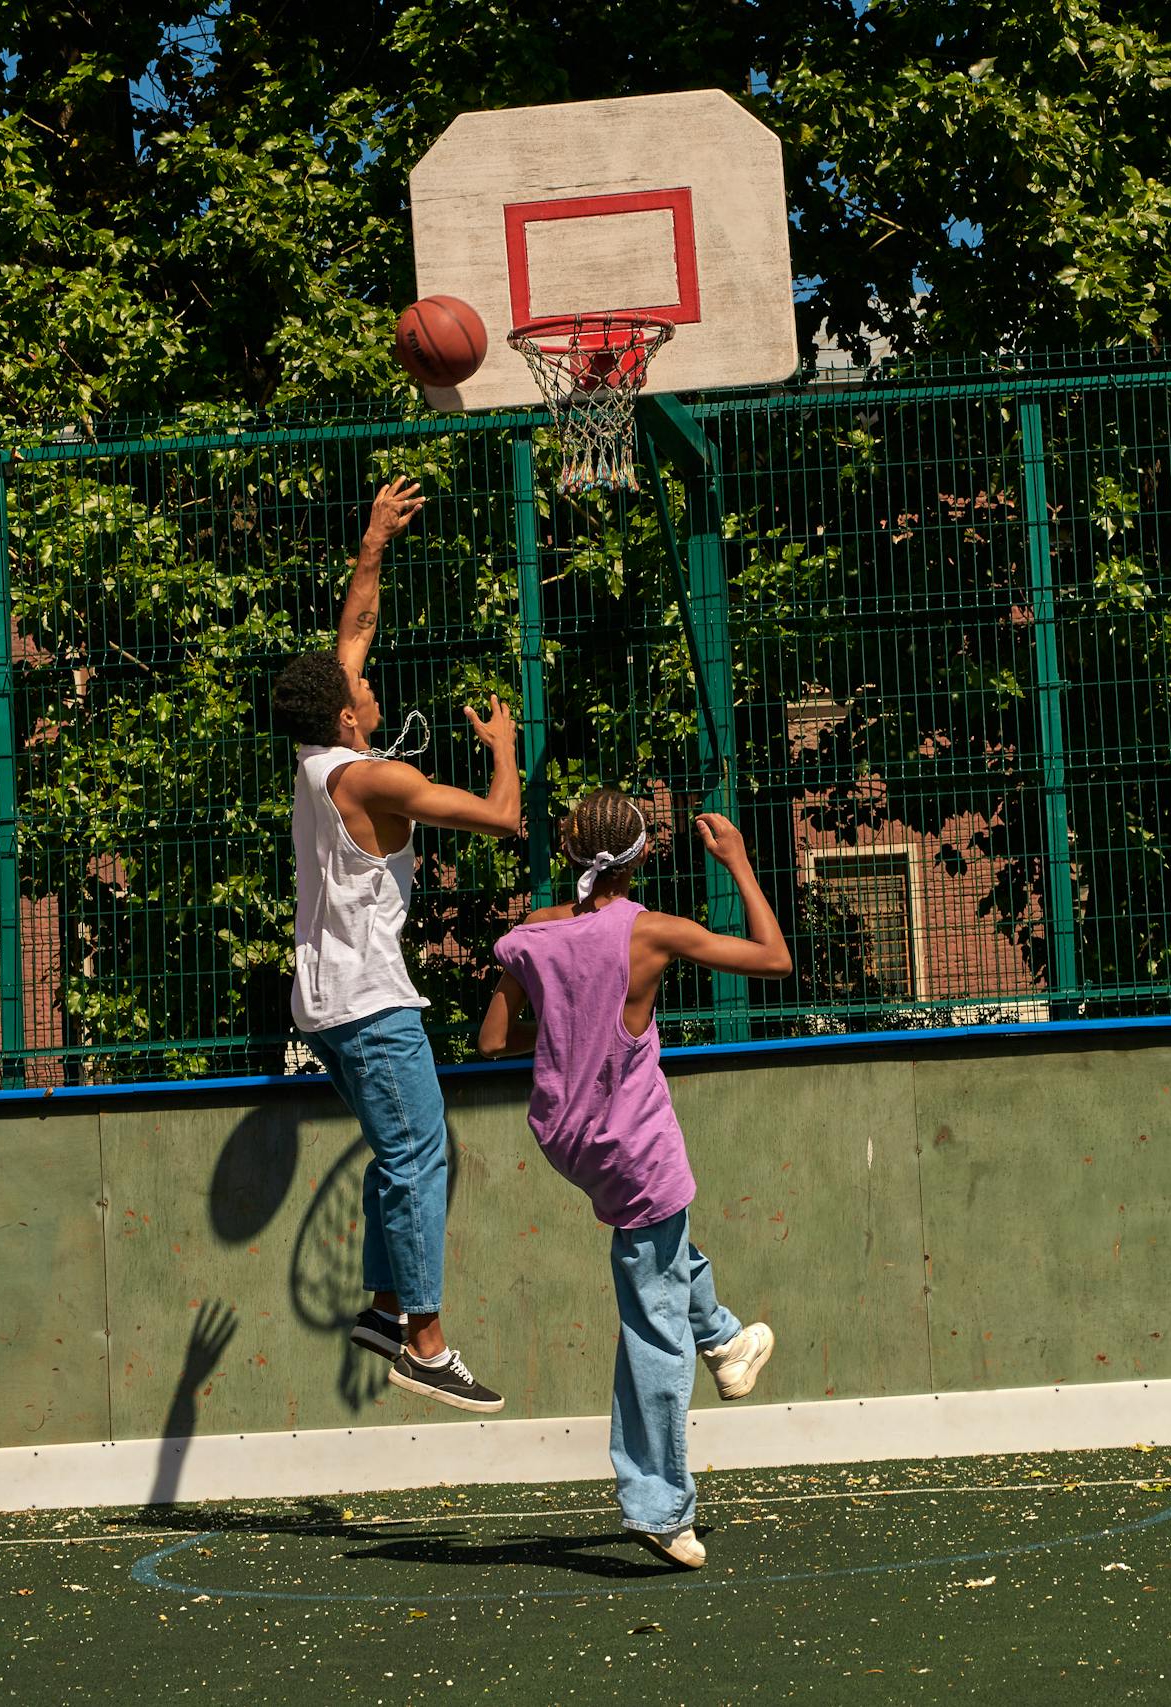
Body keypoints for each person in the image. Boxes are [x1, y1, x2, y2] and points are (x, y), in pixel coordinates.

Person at [476, 789, 788, 1568]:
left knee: (665, 1241)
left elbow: (489, 1041)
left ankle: (723, 1341)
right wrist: (740, 862)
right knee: (653, 1326)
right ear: (643, 855)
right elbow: (774, 958)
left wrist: (560, 1033)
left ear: (573, 855)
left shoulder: (534, 936)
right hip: (635, 1145)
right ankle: (656, 1502)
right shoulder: (650, 933)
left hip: (569, 1140)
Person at [271, 476, 518, 1414]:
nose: (367, 682)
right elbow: (501, 817)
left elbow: (354, 631)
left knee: (395, 1155)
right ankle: (423, 1338)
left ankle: (380, 1308)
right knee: (421, 1158)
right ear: (345, 714)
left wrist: (373, 540)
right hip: (371, 1001)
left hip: (323, 1003)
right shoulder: (376, 778)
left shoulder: (314, 757)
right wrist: (502, 741)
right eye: (360, 688)